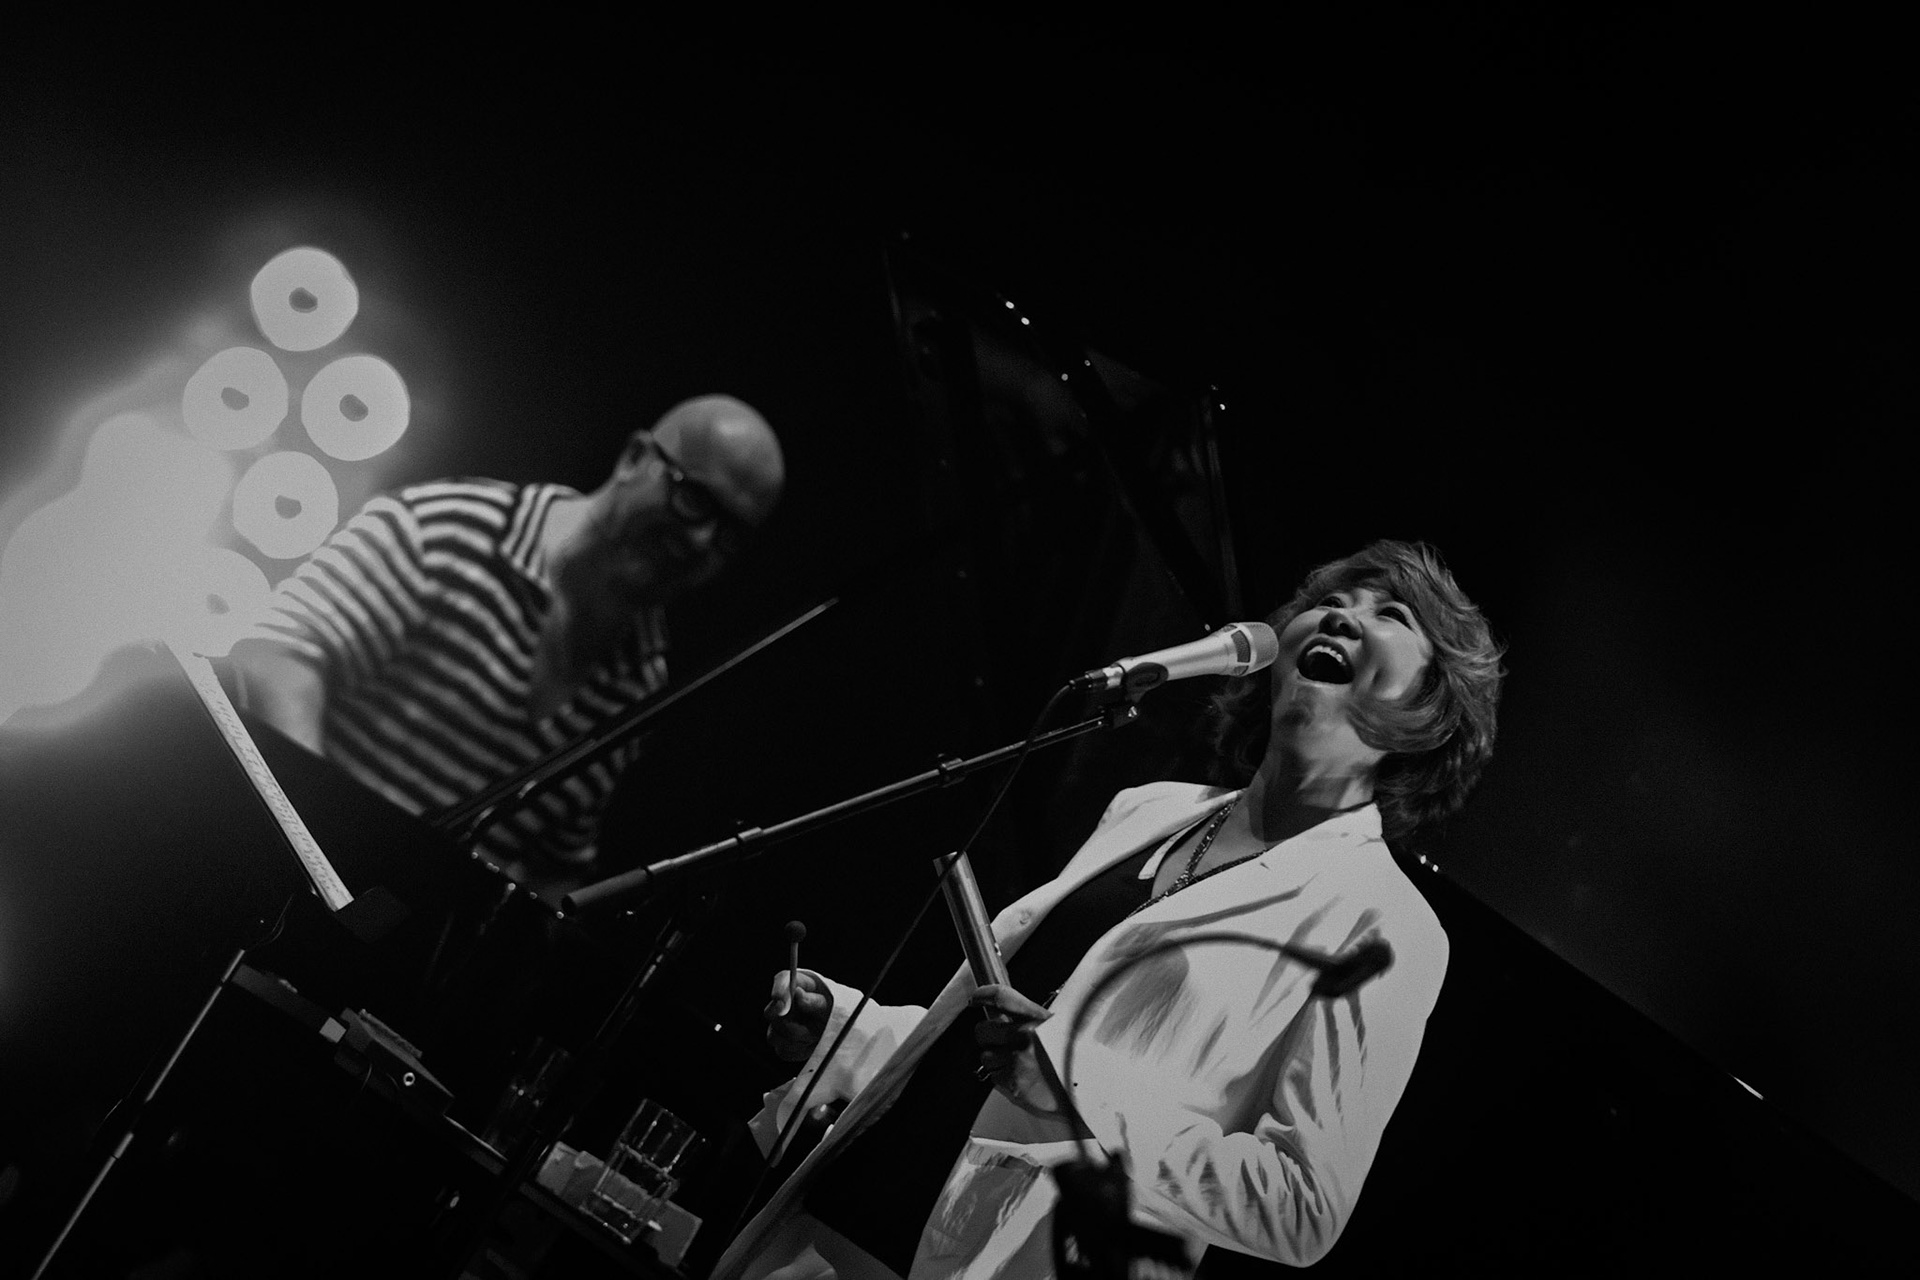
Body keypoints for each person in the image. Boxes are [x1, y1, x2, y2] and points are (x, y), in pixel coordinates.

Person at [719, 539, 1504, 1280]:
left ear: (1434, 707)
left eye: (1390, 614)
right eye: (1334, 598)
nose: (1343, 614)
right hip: (839, 1226)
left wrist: (1079, 1096)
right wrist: (846, 1028)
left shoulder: (1384, 925)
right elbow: (1004, 1041)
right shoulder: (1148, 810)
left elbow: (1302, 1202)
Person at [227, 393, 784, 881]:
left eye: (729, 536)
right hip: (266, 885)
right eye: (695, 501)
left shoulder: (643, 682)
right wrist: (321, 854)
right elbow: (275, 661)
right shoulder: (448, 528)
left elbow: (551, 865)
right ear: (635, 457)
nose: (698, 540)